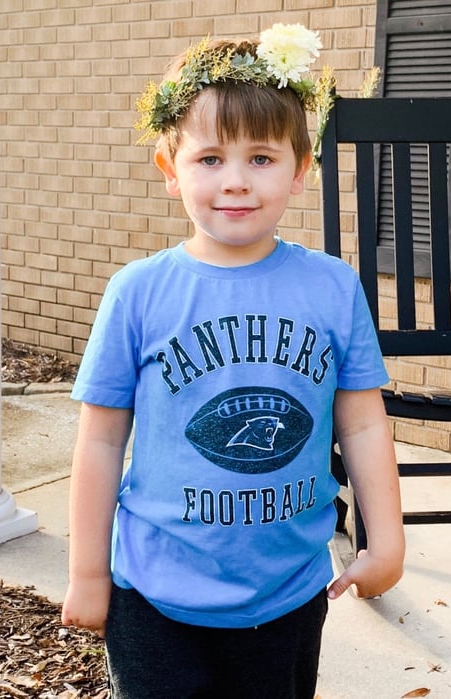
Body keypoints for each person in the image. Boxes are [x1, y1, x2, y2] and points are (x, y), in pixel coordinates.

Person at [61, 23, 405, 699]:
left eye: (262, 158)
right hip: (155, 594)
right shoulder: (138, 292)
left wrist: (385, 541)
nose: (236, 182)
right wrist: (86, 571)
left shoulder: (332, 287)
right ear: (171, 169)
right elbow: (101, 441)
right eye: (211, 158)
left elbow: (363, 424)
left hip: (287, 593)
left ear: (301, 169)